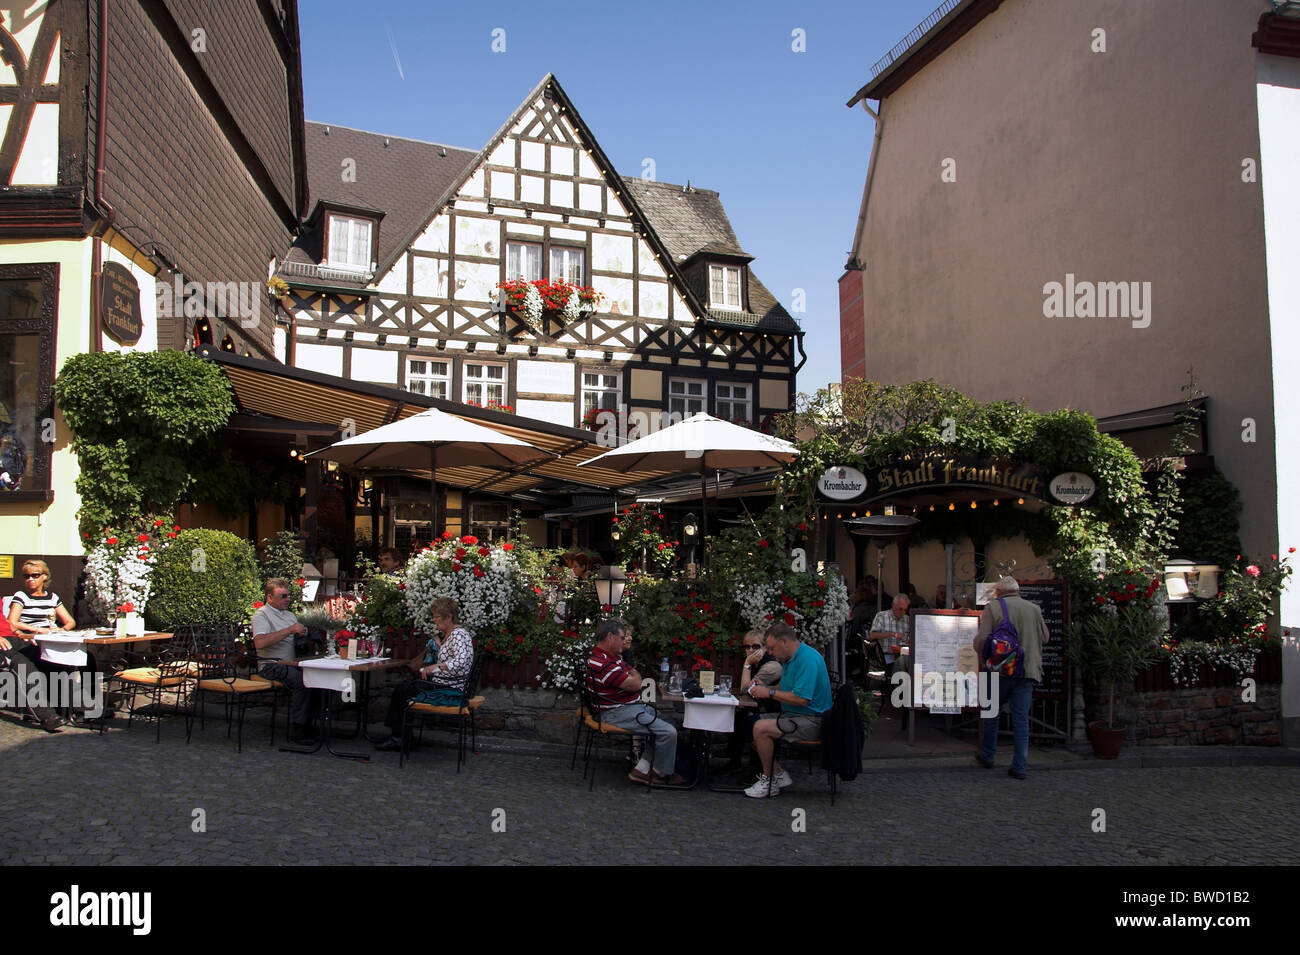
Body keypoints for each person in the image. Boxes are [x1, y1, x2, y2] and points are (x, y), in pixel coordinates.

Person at [586, 618, 681, 786]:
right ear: (610, 637)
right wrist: (634, 674)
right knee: (668, 732)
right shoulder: (603, 662)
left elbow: (630, 673)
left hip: (626, 707)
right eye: (622, 638)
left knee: (669, 722)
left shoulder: (608, 657)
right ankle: (660, 774)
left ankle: (642, 770)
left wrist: (632, 673)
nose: (624, 642)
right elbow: (637, 683)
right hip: (616, 712)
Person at [744, 623, 833, 798]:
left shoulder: (807, 660)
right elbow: (787, 687)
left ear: (784, 642)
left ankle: (769, 782)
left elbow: (801, 698)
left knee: (760, 728)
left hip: (812, 721)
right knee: (748, 724)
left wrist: (769, 692)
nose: (769, 652)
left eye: (771, 648)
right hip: (795, 715)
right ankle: (778, 774)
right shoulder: (789, 658)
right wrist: (769, 687)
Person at [973, 576, 1050, 779]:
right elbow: (1046, 637)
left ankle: (988, 756)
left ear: (998, 592)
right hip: (1026, 671)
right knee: (1021, 720)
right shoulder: (1033, 608)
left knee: (991, 714)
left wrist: (981, 655)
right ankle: (1020, 766)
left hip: (999, 670)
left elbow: (982, 639)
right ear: (1018, 591)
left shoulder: (993, 607)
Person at [374, 597, 473, 752]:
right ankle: (402, 736)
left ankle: (399, 738)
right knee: (405, 687)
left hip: (448, 689)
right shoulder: (453, 634)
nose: (434, 620)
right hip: (444, 684)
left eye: (437, 617)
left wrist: (434, 667)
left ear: (449, 617)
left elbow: (460, 661)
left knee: (403, 690)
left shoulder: (458, 635)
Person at [252, 577, 315, 744]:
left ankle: (313, 724)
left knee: (317, 678)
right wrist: (290, 630)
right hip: (271, 665)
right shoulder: (261, 615)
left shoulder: (290, 615)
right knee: (302, 681)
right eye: (283, 596)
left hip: (292, 663)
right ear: (269, 598)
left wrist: (302, 634)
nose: (287, 599)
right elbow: (260, 642)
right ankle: (298, 729)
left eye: (288, 596)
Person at [724, 628, 782, 770]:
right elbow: (747, 691)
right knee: (735, 719)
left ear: (765, 648)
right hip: (759, 706)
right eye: (747, 647)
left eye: (755, 646)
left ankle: (758, 769)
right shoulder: (757, 664)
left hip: (772, 710)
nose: (750, 650)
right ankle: (734, 763)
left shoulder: (771, 666)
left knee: (748, 724)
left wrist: (747, 663)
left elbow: (745, 689)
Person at [0, 610, 63, 732]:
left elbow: (5, 623)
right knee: (22, 664)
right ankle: (47, 716)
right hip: (2, 645)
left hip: (12, 639)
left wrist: (21, 634)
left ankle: (75, 707)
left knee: (48, 656)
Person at [7, 560, 76, 635]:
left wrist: (62, 630)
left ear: (45, 576)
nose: (30, 579)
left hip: (50, 636)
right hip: (30, 637)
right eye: (27, 576)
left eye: (35, 575)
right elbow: (12, 622)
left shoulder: (52, 597)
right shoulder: (21, 596)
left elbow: (70, 622)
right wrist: (38, 630)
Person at [867, 594, 911, 691]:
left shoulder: (907, 620)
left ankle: (905, 692)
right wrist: (891, 634)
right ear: (893, 606)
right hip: (885, 655)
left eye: (905, 610)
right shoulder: (882, 616)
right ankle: (896, 690)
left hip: (902, 654)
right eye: (900, 609)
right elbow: (872, 636)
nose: (903, 612)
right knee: (899, 663)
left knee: (909, 662)